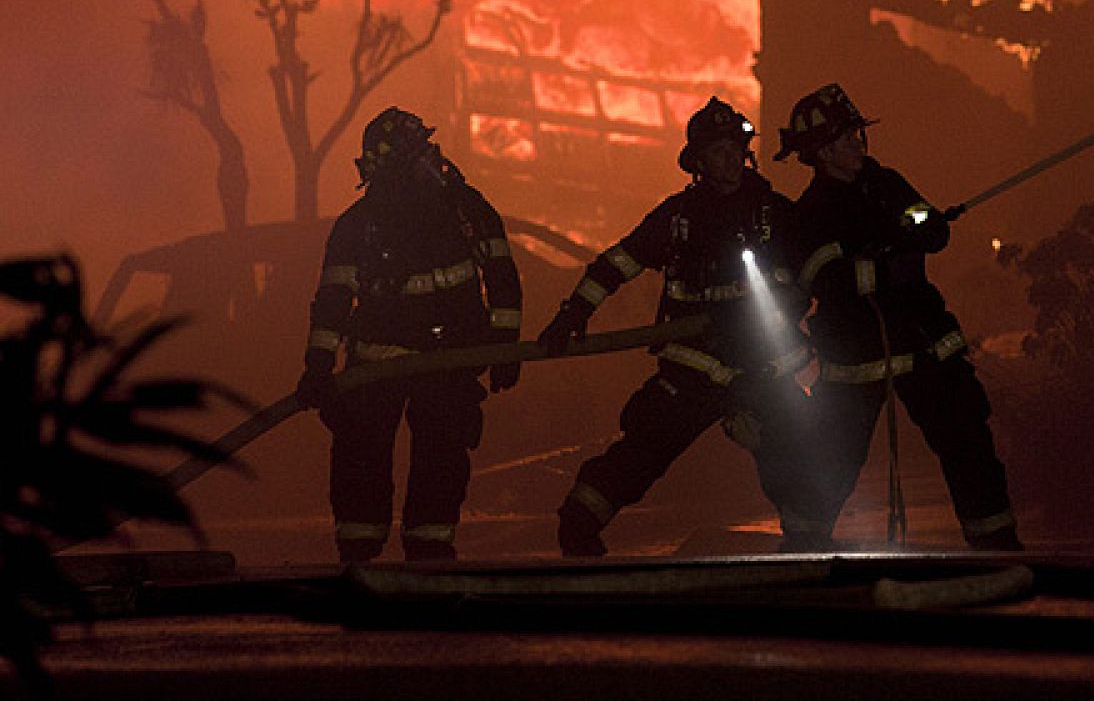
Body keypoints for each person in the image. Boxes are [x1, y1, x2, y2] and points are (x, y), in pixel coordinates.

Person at [537, 97, 828, 555]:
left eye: (736, 148)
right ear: (698, 162)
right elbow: (618, 262)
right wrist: (572, 313)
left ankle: (808, 544)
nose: (731, 159)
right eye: (718, 151)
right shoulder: (677, 219)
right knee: (646, 448)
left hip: (762, 367)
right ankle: (579, 523)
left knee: (794, 453)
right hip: (695, 364)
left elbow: (818, 273)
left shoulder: (776, 214)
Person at [777, 83, 1022, 552]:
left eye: (856, 134)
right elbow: (828, 279)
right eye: (847, 137)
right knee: (833, 457)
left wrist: (926, 225)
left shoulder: (888, 183)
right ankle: (800, 551)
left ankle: (998, 549)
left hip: (922, 339)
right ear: (823, 151)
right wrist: (883, 256)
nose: (857, 143)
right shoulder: (809, 214)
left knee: (968, 444)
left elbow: (931, 232)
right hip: (857, 354)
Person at [294, 107, 523, 563]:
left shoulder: (466, 209)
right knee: (360, 456)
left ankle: (430, 547)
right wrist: (318, 366)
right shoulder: (358, 225)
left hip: (448, 360)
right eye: (418, 153)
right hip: (376, 364)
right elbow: (334, 299)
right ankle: (359, 548)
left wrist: (504, 349)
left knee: (441, 455)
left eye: (427, 150)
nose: (431, 161)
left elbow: (502, 278)